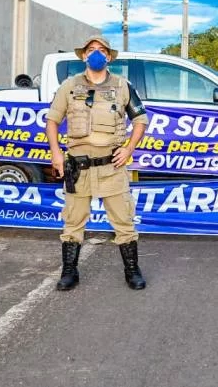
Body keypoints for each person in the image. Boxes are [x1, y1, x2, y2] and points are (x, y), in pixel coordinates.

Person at [45, 35, 149, 291]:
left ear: (109, 57)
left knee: (124, 220)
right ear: (83, 56)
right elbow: (52, 121)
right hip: (78, 168)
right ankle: (70, 271)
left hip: (111, 167)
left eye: (101, 50)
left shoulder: (123, 86)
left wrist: (128, 149)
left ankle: (132, 270)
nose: (96, 54)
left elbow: (140, 120)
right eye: (91, 50)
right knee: (72, 222)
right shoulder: (69, 86)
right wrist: (56, 153)